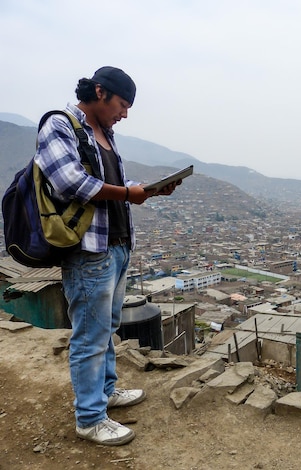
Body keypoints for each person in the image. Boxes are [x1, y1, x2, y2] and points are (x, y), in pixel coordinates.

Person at [34, 66, 179, 446]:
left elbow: (111, 185)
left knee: (108, 329)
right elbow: (69, 183)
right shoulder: (60, 125)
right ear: (100, 92)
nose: (125, 113)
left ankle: (106, 393)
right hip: (87, 251)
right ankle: (90, 417)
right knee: (90, 336)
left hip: (116, 246)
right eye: (121, 104)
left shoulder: (106, 134)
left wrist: (145, 190)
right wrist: (126, 194)